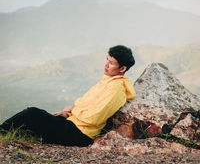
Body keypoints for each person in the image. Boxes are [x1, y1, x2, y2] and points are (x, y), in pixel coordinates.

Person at [0, 45, 136, 146]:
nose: (106, 65)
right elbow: (85, 103)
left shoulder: (116, 90)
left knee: (32, 114)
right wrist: (67, 112)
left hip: (79, 134)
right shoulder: (108, 81)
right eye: (107, 60)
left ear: (122, 69)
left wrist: (71, 111)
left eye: (111, 63)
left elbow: (95, 118)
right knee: (34, 122)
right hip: (73, 125)